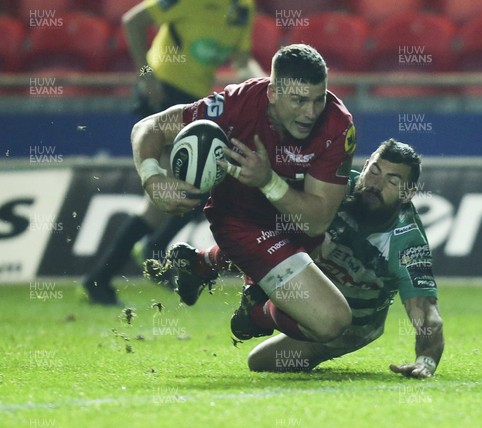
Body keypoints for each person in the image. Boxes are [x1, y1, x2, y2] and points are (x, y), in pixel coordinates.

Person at [154, 139, 444, 378]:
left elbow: (425, 311)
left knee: (261, 362)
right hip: (306, 274)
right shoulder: (333, 189)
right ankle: (204, 264)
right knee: (291, 220)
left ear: (408, 193)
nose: (376, 185)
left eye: (392, 181)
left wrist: (425, 362)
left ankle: (257, 309)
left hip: (352, 325)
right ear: (364, 166)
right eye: (375, 172)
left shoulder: (406, 241)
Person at [132, 44, 358, 343]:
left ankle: (207, 268)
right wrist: (152, 178)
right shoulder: (234, 105)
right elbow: (149, 126)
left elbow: (316, 221)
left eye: (318, 100)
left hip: (298, 222)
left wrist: (267, 180)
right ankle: (255, 306)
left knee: (341, 239)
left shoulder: (338, 125)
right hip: (241, 222)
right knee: (333, 322)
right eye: (299, 100)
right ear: (273, 93)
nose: (311, 112)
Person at [82, 0, 265, 305]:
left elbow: (242, 59)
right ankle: (116, 269)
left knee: (190, 190)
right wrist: (146, 76)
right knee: (185, 189)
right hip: (164, 94)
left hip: (195, 103)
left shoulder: (242, 7)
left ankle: (110, 272)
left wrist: (264, 84)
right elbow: (133, 22)